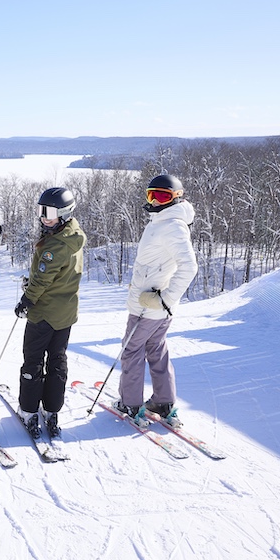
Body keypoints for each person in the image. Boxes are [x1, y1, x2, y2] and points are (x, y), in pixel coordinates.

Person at [115, 174, 198, 427]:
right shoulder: (165, 221)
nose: (155, 201)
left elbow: (189, 266)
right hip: (156, 307)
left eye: (162, 196)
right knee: (156, 350)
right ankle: (163, 401)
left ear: (176, 198)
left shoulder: (171, 225)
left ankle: (130, 404)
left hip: (148, 306)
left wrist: (164, 299)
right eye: (151, 195)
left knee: (132, 351)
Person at [14, 187, 86, 439]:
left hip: (43, 314)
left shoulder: (54, 246)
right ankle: (52, 409)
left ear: (64, 213)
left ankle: (29, 410)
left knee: (33, 360)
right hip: (65, 313)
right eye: (41, 211)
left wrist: (26, 299)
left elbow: (43, 280)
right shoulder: (74, 235)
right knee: (57, 359)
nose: (45, 217)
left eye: (51, 213)